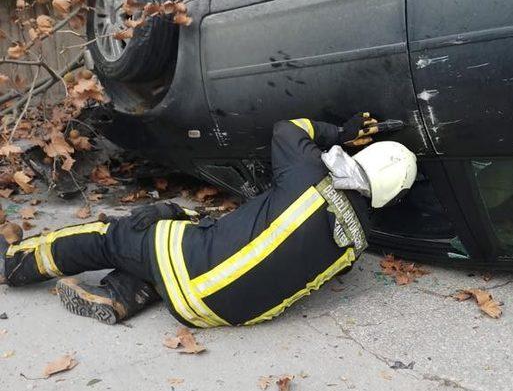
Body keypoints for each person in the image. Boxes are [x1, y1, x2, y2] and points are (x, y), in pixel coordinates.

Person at [0, 116, 417, 327]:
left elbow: (288, 127)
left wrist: (338, 131)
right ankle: (122, 294)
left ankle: (15, 263)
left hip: (193, 267)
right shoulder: (359, 243)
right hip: (226, 315)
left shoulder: (311, 171)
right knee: (196, 226)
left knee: (117, 235)